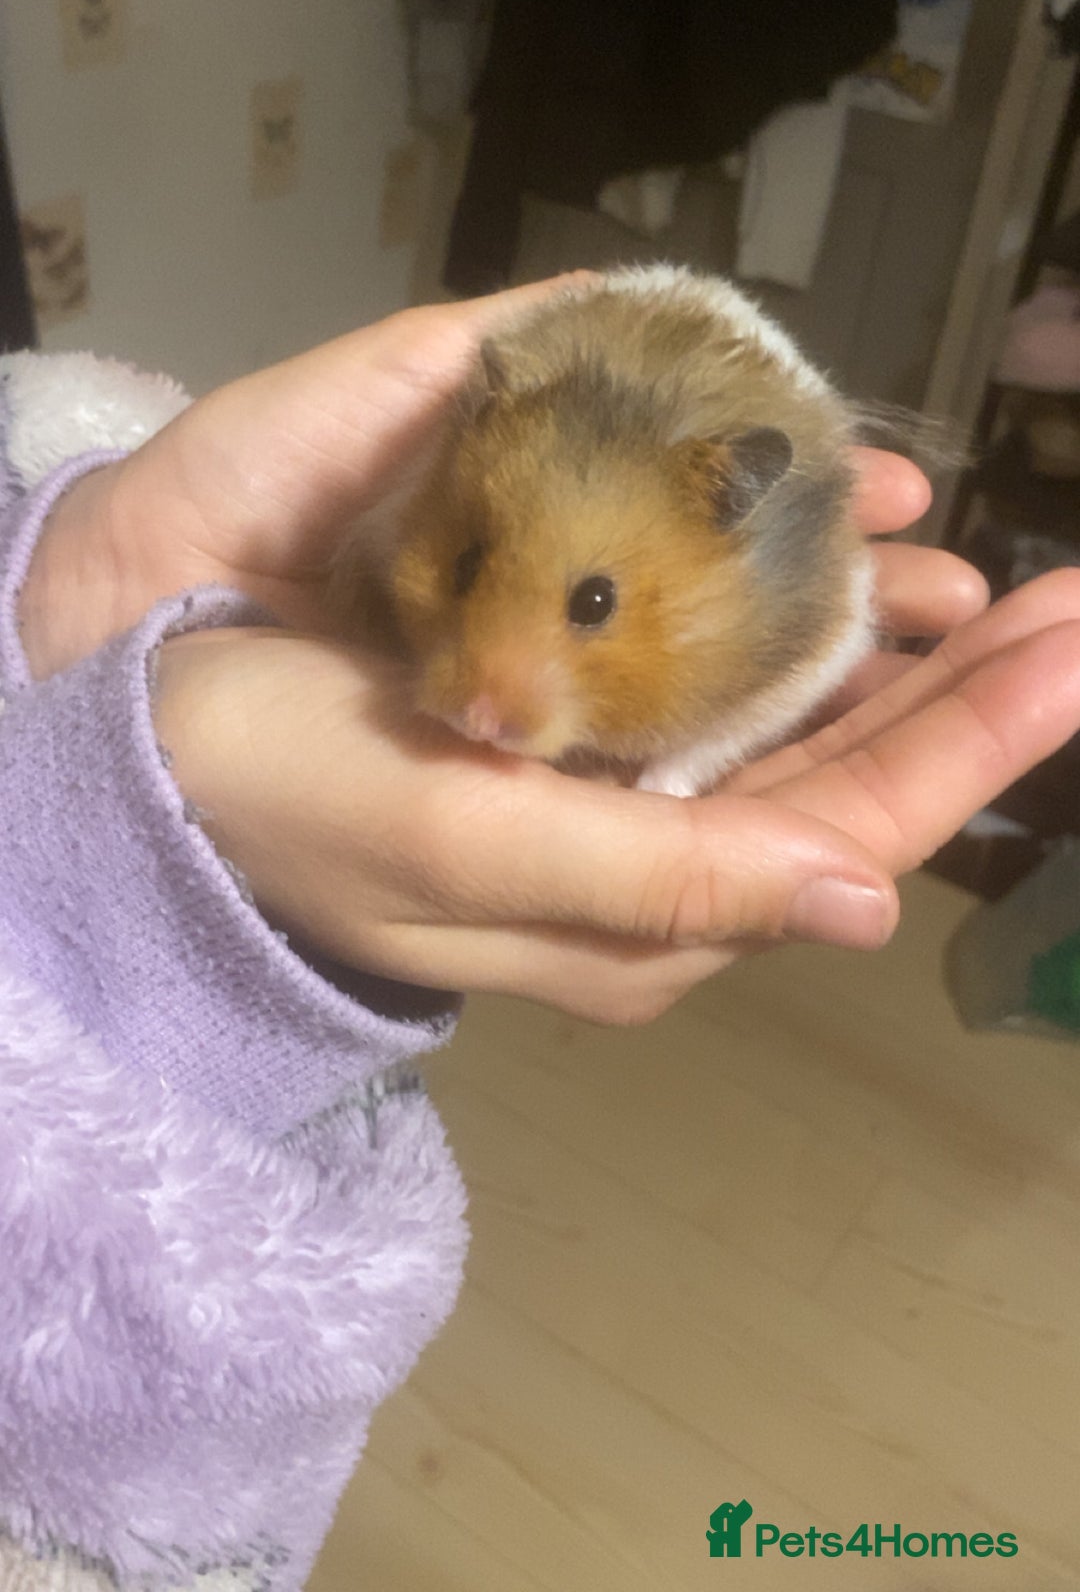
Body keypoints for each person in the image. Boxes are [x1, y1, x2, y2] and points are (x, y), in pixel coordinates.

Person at [2, 276, 1080, 1592]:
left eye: (590, 607)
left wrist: (80, 578)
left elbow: (785, 648)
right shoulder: (454, 469)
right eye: (469, 572)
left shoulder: (777, 581)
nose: (483, 702)